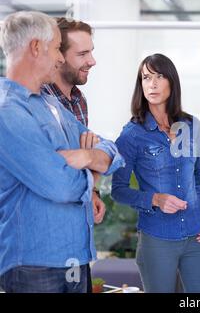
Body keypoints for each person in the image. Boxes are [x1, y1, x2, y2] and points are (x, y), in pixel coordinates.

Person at [0, 11, 124, 293]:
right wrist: (93, 172)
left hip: (74, 256)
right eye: (57, 48)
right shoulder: (8, 111)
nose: (59, 59)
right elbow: (61, 186)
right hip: (35, 265)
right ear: (35, 47)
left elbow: (111, 150)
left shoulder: (50, 106)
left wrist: (87, 158)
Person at [111, 53, 200, 293]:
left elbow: (197, 176)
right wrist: (155, 200)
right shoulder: (131, 135)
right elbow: (118, 190)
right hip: (156, 240)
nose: (152, 84)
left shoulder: (191, 125)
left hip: (194, 236)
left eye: (159, 76)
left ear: (172, 81)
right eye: (146, 78)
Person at [41, 17, 103, 294]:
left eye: (91, 51)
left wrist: (93, 190)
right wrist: (90, 158)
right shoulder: (37, 102)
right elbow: (53, 166)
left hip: (78, 237)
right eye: (82, 54)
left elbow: (93, 155)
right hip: (44, 243)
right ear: (57, 56)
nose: (92, 61)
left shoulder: (79, 100)